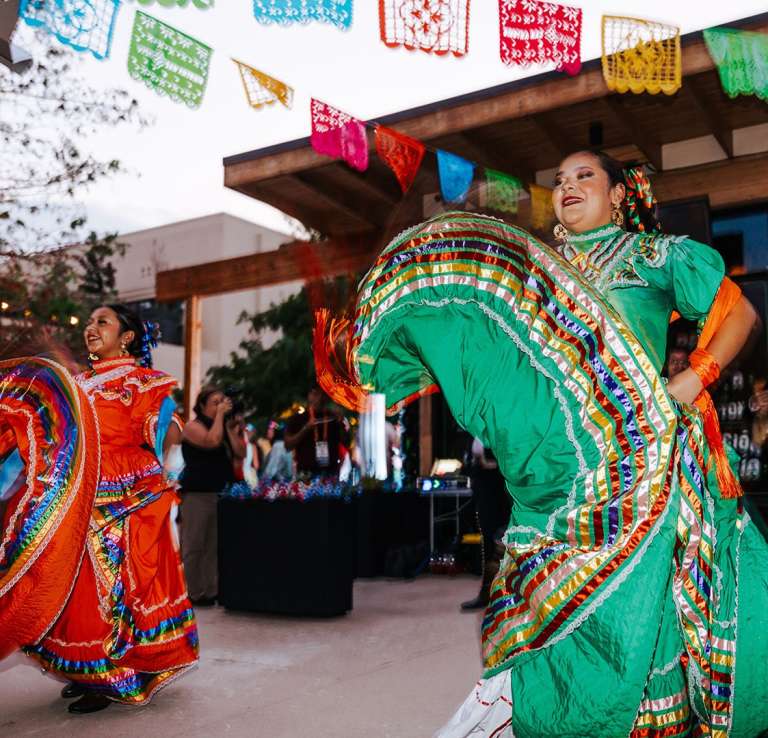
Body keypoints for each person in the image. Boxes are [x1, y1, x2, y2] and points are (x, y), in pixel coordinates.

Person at [348, 149, 768, 737]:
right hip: (549, 483)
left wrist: (693, 379)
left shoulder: (654, 256)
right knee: (542, 613)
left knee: (632, 616)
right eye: (559, 179)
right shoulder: (536, 274)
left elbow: (739, 313)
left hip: (635, 474)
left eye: (583, 176)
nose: (567, 186)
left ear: (620, 194)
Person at [6, 304, 199, 713]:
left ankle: (112, 675)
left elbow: (166, 426)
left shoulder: (142, 382)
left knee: (109, 585)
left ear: (126, 336)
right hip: (77, 487)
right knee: (70, 582)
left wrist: (161, 435)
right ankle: (84, 669)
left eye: (102, 322)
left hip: (124, 493)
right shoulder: (74, 383)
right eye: (90, 323)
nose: (91, 329)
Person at [179, 386, 246, 606]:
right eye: (215, 402)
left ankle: (211, 591)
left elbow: (240, 453)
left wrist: (230, 428)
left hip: (221, 493)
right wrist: (220, 419)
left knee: (213, 547)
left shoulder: (222, 426)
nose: (220, 406)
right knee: (195, 545)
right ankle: (193, 591)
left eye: (222, 402)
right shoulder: (191, 426)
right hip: (198, 494)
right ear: (201, 406)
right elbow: (211, 441)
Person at [460, 438, 510, 611]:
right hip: (484, 491)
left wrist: (491, 465)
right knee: (488, 541)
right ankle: (488, 593)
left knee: (499, 541)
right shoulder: (477, 431)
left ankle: (498, 595)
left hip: (499, 491)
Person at [284, 386, 344, 476]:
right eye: (315, 394)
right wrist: (305, 429)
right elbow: (288, 445)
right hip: (306, 474)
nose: (318, 398)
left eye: (322, 394)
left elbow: (346, 442)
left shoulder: (333, 417)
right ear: (309, 395)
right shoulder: (298, 419)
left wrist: (341, 422)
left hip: (330, 473)